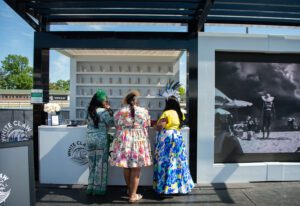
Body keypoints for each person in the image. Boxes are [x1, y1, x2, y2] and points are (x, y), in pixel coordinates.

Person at [109, 91, 152, 203]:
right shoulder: (144, 111)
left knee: (127, 166)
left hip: (124, 140)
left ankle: (130, 190)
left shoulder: (119, 112)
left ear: (126, 101)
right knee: (136, 168)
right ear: (136, 101)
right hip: (138, 141)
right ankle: (133, 195)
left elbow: (116, 125)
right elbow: (147, 124)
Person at [153, 81, 194, 195]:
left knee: (165, 162)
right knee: (178, 162)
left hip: (167, 138)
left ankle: (166, 187)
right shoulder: (179, 113)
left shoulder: (167, 112)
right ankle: (179, 187)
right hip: (178, 137)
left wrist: (155, 126)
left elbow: (161, 126)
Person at [85, 89, 114, 196]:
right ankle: (99, 189)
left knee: (92, 163)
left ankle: (90, 187)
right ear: (101, 102)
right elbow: (111, 123)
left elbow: (86, 121)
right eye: (105, 101)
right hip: (101, 139)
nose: (106, 102)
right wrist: (110, 110)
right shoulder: (103, 112)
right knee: (101, 164)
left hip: (90, 138)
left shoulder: (88, 110)